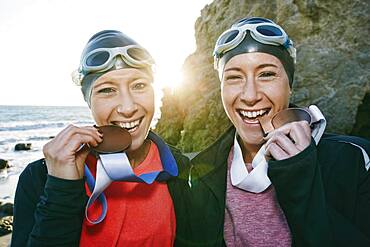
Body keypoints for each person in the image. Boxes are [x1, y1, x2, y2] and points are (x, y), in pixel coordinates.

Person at [187, 17, 370, 246]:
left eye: (266, 74)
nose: (250, 95)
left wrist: (302, 182)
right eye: (234, 77)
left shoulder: (355, 160)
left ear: (290, 85)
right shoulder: (200, 174)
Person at [11, 30, 191, 246]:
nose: (128, 107)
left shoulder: (177, 166)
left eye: (139, 85)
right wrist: (61, 189)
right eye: (107, 90)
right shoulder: (39, 178)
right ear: (89, 101)